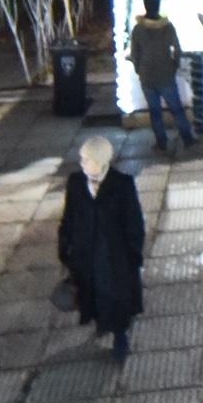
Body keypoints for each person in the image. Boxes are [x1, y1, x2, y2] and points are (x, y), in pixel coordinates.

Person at [57, 133, 147, 361]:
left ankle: (119, 335)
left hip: (113, 255)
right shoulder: (76, 183)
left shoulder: (122, 185)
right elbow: (69, 217)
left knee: (116, 296)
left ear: (100, 161)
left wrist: (133, 256)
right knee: (91, 291)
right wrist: (65, 246)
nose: (82, 163)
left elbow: (134, 224)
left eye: (86, 159)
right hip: (86, 252)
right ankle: (100, 321)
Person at [128, 0, 192, 155]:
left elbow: (135, 53)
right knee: (176, 109)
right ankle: (187, 138)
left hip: (147, 77)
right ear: (158, 7)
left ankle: (161, 142)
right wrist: (173, 66)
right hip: (166, 75)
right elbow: (177, 50)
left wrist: (139, 70)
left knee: (155, 112)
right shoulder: (167, 27)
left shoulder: (138, 29)